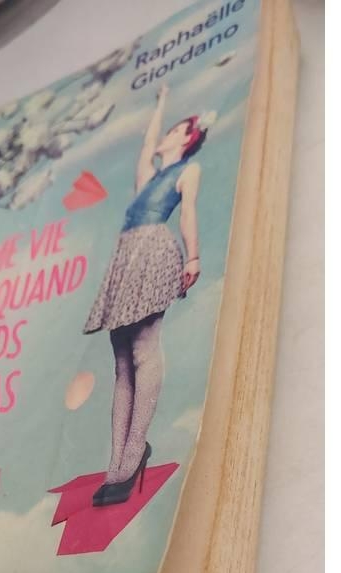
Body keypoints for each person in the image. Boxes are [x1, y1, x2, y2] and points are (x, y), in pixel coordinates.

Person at [83, 85, 209, 506]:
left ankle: (133, 453)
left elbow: (187, 211)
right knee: (122, 362)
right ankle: (117, 462)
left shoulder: (188, 170)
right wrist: (160, 105)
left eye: (173, 130)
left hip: (154, 250)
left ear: (187, 139)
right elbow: (146, 145)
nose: (164, 135)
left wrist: (193, 257)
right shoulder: (146, 177)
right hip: (127, 254)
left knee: (143, 350)